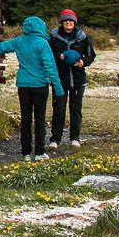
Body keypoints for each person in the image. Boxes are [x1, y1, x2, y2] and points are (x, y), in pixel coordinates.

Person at [0, 16, 65, 161]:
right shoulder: (42, 44)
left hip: (23, 85)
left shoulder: (19, 41)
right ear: (41, 28)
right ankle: (39, 152)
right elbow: (50, 67)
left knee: (25, 119)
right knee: (39, 118)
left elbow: (0, 47)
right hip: (40, 85)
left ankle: (26, 152)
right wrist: (58, 88)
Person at [47, 9, 96, 149]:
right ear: (62, 22)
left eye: (71, 20)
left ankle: (75, 138)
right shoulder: (54, 37)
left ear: (75, 22)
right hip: (59, 79)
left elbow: (91, 55)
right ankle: (55, 139)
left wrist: (83, 62)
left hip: (78, 79)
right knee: (58, 109)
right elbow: (48, 54)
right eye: (65, 20)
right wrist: (61, 57)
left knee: (76, 109)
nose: (68, 22)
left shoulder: (83, 37)